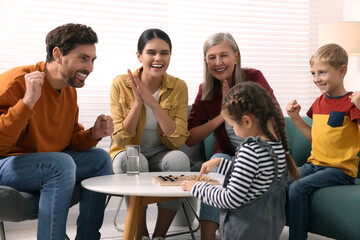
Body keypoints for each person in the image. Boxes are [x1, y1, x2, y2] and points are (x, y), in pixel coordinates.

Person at [0, 23, 114, 240]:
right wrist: (27, 102)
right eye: (83, 58)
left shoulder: (69, 91)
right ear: (58, 54)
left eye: (92, 60)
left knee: (100, 159)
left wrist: (93, 134)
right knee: (59, 164)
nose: (90, 67)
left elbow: (69, 140)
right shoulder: (16, 83)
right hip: (5, 163)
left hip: (40, 163)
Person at [185, 32, 283, 239]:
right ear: (205, 61)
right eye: (212, 57)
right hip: (232, 156)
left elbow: (274, 117)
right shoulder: (206, 90)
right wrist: (223, 115)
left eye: (224, 55)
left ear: (236, 57)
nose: (218, 62)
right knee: (216, 164)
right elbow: (191, 137)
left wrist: (235, 102)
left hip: (260, 152)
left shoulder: (253, 78)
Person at [182, 81, 299, 239]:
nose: (235, 132)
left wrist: (197, 187)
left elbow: (230, 199)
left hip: (244, 232)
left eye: (232, 126)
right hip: (268, 231)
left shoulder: (250, 150)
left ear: (247, 121)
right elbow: (255, 177)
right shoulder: (277, 147)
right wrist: (221, 163)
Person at [109, 28, 190, 240]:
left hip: (160, 154)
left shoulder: (178, 86)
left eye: (165, 53)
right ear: (139, 56)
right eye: (151, 52)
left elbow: (178, 139)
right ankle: (141, 234)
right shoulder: (120, 84)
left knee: (180, 159)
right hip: (127, 152)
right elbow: (120, 138)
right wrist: (137, 104)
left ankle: (160, 236)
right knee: (133, 160)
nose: (158, 58)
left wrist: (152, 102)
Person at [286, 43, 360, 240]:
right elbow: (314, 137)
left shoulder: (352, 102)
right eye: (313, 73)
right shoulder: (319, 102)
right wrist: (295, 117)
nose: (316, 79)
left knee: (297, 187)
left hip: (340, 170)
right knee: (280, 181)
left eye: (322, 72)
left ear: (342, 70)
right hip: (314, 165)